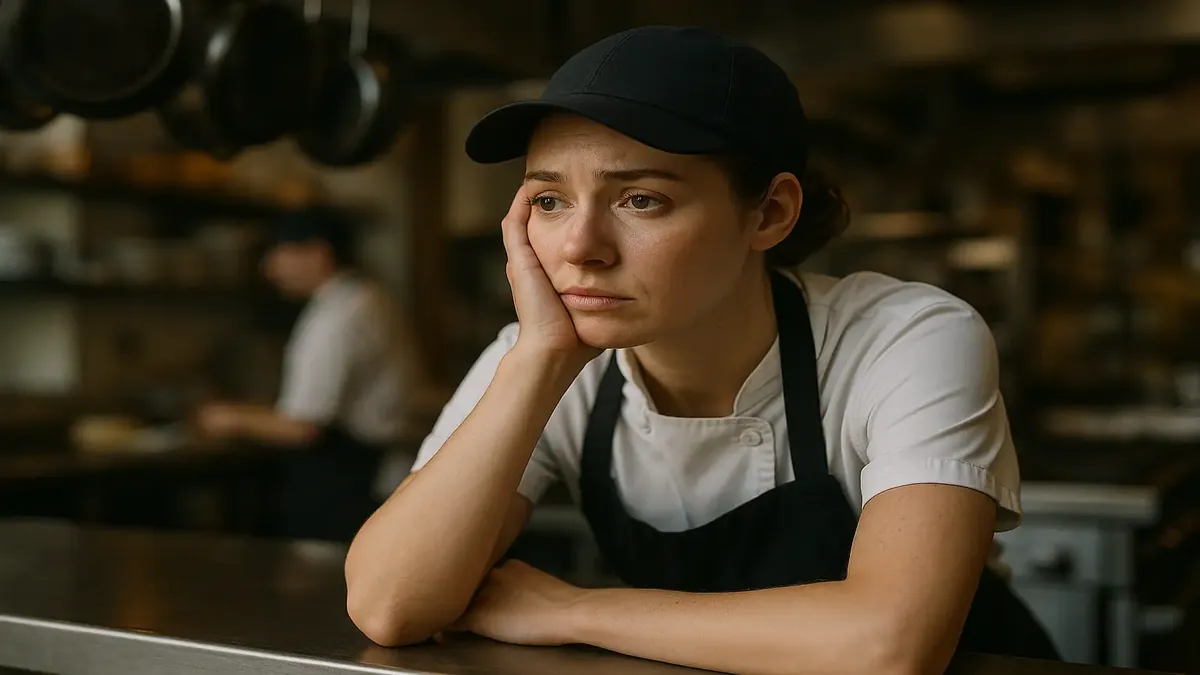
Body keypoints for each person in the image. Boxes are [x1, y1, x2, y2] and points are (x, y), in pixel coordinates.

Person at [344, 25, 1059, 675]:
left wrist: (571, 610)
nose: (580, 248)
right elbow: (389, 604)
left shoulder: (904, 338)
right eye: (550, 201)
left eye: (641, 200)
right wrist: (538, 363)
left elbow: (888, 644)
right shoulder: (541, 355)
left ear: (770, 212)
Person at [197, 206, 413, 542]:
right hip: (374, 469)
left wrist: (229, 418)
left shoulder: (337, 316)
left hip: (345, 480)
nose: (269, 267)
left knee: (320, 581)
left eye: (278, 252)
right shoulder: (369, 297)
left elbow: (303, 428)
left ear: (318, 253)